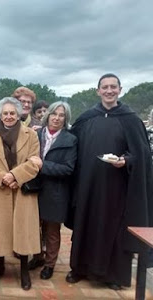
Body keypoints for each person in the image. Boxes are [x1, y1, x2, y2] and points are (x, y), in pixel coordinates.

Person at [66, 73, 153, 290]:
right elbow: (69, 144)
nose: (109, 91)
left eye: (113, 87)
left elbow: (142, 153)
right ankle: (79, 268)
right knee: (85, 224)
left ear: (120, 90)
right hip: (87, 185)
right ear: (98, 91)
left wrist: (127, 160)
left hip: (117, 188)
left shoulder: (131, 119)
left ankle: (113, 275)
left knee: (114, 229)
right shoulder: (87, 118)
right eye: (105, 87)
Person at [0, 97, 42, 290]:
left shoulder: (30, 135)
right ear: (0, 115)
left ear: (19, 114)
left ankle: (24, 269)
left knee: (22, 231)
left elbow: (35, 162)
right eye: (5, 113)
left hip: (22, 190)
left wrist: (15, 176)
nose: (8, 116)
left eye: (12, 113)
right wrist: (3, 177)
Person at [27, 101, 77, 280]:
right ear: (48, 114)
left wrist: (43, 166)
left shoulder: (70, 140)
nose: (57, 118)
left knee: (52, 231)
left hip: (56, 191)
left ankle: (49, 264)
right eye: (54, 114)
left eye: (61, 115)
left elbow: (68, 169)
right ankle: (38, 257)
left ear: (66, 119)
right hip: (34, 188)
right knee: (34, 227)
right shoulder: (36, 133)